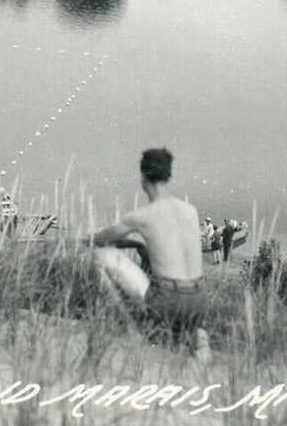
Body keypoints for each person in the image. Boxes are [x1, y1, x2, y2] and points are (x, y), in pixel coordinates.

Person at [88, 148, 211, 359]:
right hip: (199, 301)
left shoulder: (140, 216)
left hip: (166, 300)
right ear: (168, 176)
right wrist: (142, 246)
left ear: (143, 177)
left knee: (100, 256)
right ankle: (194, 332)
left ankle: (129, 327)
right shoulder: (191, 210)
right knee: (185, 309)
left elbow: (99, 240)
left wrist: (134, 243)